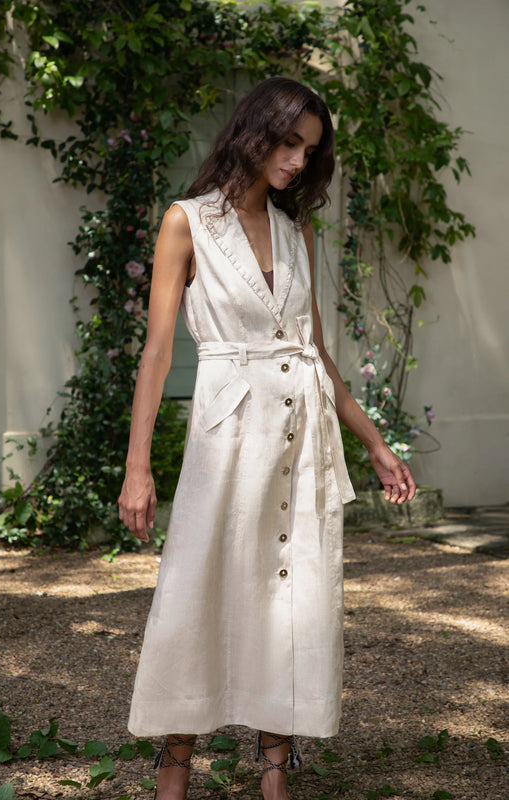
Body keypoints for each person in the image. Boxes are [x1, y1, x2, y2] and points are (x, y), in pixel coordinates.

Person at [118, 77, 416, 800]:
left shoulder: (294, 231)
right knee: (200, 583)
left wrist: (374, 444)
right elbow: (156, 351)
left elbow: (314, 350)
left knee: (292, 589)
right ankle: (175, 761)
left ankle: (275, 766)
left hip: (300, 431)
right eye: (287, 143)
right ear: (253, 132)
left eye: (308, 151)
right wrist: (137, 468)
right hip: (227, 433)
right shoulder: (186, 222)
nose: (296, 161)